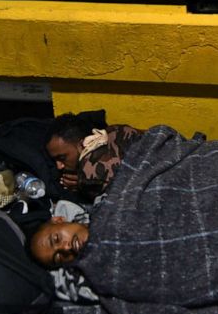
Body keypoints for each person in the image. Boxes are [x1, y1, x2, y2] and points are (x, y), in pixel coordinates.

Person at [30, 113, 142, 267]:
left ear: (82, 145)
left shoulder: (89, 174)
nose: (59, 166)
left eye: (62, 158)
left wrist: (83, 183)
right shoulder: (112, 130)